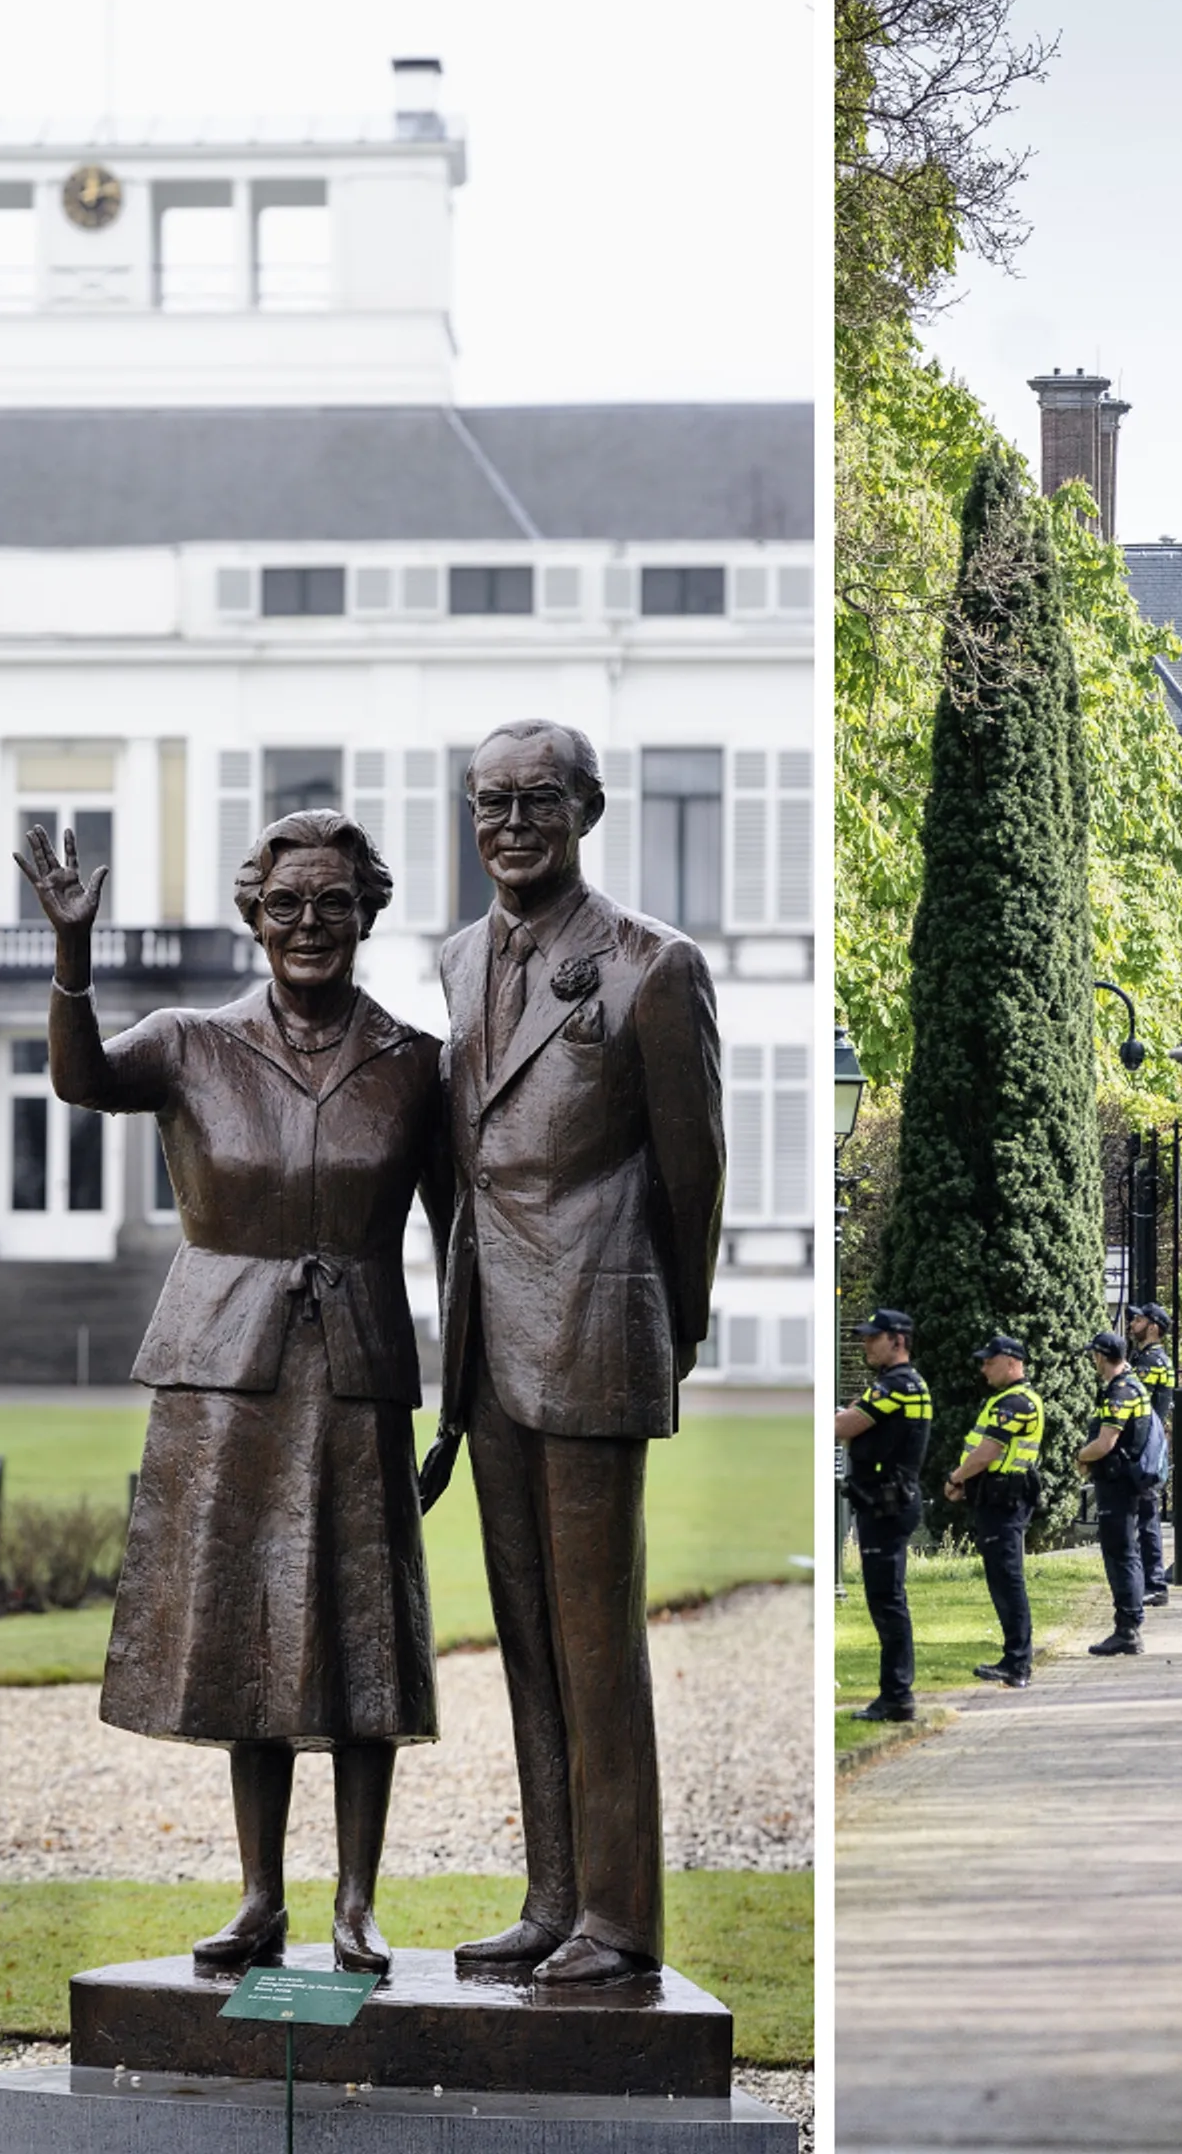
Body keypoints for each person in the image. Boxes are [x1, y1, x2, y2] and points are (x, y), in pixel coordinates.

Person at [28, 810, 451, 1975]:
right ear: (253, 918)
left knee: (363, 1631)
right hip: (225, 1373)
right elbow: (82, 1079)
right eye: (285, 904)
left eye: (331, 903)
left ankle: (356, 1902)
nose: (308, 924)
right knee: (252, 1633)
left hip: (361, 1368)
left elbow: (460, 1240)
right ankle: (260, 1895)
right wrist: (74, 960)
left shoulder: (418, 1065)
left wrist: (460, 1400)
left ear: (368, 913)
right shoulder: (189, 1042)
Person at [431, 718, 726, 1988]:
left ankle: (623, 1919)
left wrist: (672, 1321)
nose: (508, 825)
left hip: (598, 1325)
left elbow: (694, 1170)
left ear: (586, 811)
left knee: (598, 1639)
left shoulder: (652, 968)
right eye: (488, 803)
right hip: (489, 1337)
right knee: (527, 1635)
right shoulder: (454, 961)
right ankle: (553, 1898)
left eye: (534, 801)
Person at [831, 1311, 934, 1722]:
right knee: (889, 1599)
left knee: (887, 1601)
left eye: (873, 1338)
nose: (866, 1345)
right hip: (891, 1501)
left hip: (886, 1504)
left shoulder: (896, 1385)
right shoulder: (908, 1386)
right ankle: (895, 1692)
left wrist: (840, 1417)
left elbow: (844, 1425)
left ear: (898, 1341)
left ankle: (897, 1696)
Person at [940, 1338, 1047, 1689]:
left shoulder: (1016, 1403)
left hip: (1006, 1499)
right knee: (1002, 1578)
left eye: (990, 1362)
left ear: (1012, 1363)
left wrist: (956, 1477)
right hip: (997, 1496)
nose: (983, 1368)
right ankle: (1014, 1658)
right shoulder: (1006, 1400)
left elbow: (987, 1452)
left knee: (1008, 1578)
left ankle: (1018, 1663)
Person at [1077, 1332, 1155, 1657]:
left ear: (1100, 1356)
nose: (1093, 1361)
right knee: (1127, 1552)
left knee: (1121, 1554)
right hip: (1124, 1481)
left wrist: (1080, 1455)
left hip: (1118, 1484)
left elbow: (1106, 1442)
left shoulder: (1120, 1392)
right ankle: (1128, 1625)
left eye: (1094, 1356)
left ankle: (1127, 1629)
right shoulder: (1131, 1385)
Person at [1125, 1303, 1176, 1602]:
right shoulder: (1147, 1358)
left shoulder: (1151, 1362)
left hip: (1144, 1447)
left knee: (1146, 1517)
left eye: (1140, 1319)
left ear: (1154, 1327)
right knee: (1145, 1515)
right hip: (1149, 1445)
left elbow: (1134, 1403)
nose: (1133, 1322)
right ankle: (1149, 1582)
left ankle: (1154, 1585)